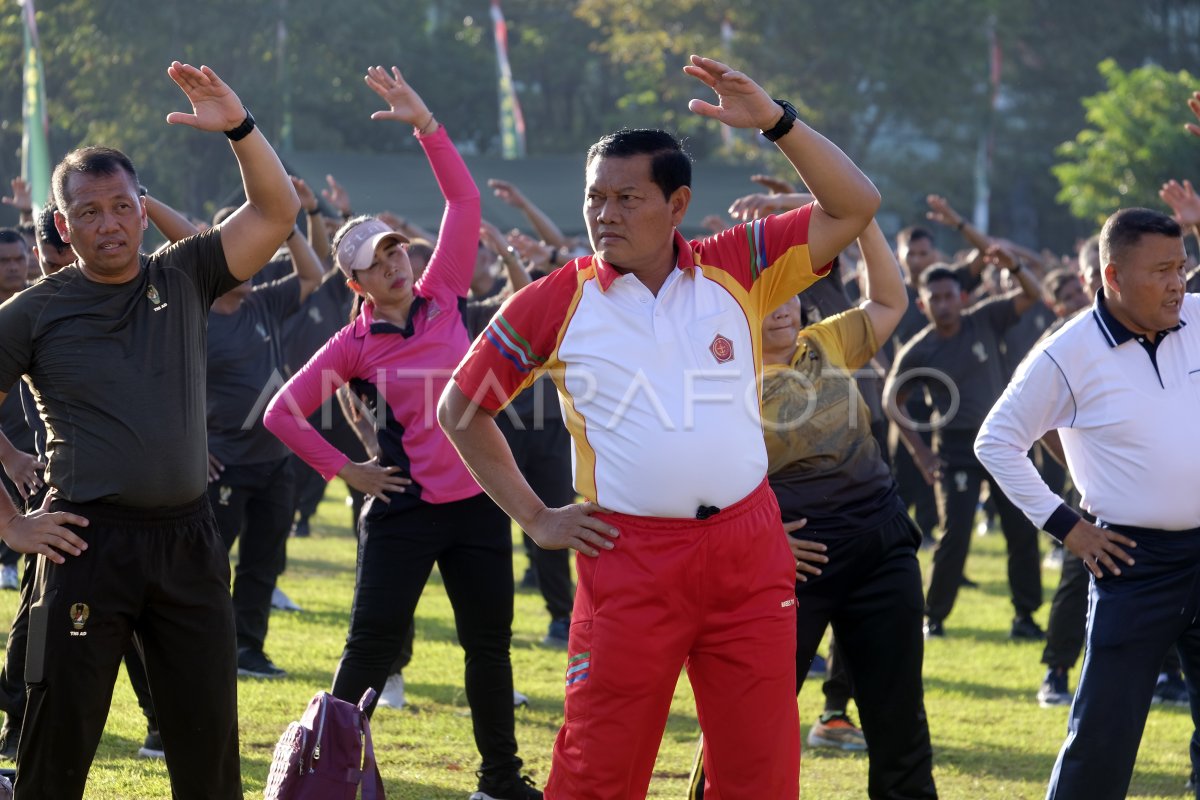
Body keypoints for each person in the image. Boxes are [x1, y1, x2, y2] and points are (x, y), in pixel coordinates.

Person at [440, 55, 880, 799]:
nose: (604, 213)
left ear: (677, 205)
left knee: (760, 775)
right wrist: (537, 517)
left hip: (748, 552)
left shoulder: (738, 265)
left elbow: (855, 204)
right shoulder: (557, 300)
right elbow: (460, 409)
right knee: (597, 773)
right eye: (594, 198)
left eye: (626, 198)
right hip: (629, 558)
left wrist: (777, 121)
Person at [0, 61, 298, 799]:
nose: (109, 223)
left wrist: (239, 126)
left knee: (207, 743)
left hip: (189, 543)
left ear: (143, 208)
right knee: (57, 742)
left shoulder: (185, 274)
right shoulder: (33, 312)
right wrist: (10, 525)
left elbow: (276, 211)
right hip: (85, 542)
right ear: (64, 226)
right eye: (90, 212)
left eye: (122, 206)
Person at [264, 65, 540, 800]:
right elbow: (281, 412)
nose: (394, 264)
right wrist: (346, 471)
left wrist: (427, 125)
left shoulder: (443, 291)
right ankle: (320, 779)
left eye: (395, 251)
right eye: (375, 263)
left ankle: (501, 781)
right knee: (368, 652)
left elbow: (463, 198)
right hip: (405, 511)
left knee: (489, 650)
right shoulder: (352, 345)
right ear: (353, 283)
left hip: (480, 502)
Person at [689, 218, 936, 800]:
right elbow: (700, 479)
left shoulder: (824, 341)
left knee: (900, 721)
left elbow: (889, 299)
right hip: (790, 565)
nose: (780, 307)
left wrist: (864, 221)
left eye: (788, 292)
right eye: (764, 295)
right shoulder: (723, 377)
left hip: (881, 547)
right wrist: (766, 539)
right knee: (747, 726)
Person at [974, 205, 1199, 800]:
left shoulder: (1198, 318)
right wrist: (1068, 527)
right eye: (1162, 270)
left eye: (1183, 266)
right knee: (1103, 733)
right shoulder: (1067, 352)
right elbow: (995, 441)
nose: (1179, 282)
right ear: (1113, 277)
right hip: (1133, 560)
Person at [884, 250, 1044, 640]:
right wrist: (920, 452)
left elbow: (1033, 294)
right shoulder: (920, 349)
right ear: (922, 305)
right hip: (954, 448)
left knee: (1022, 528)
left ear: (962, 297)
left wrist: (1015, 265)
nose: (943, 304)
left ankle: (1025, 616)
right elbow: (892, 400)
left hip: (1003, 439)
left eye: (948, 296)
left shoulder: (985, 318)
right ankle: (934, 617)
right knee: (954, 534)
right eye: (934, 298)